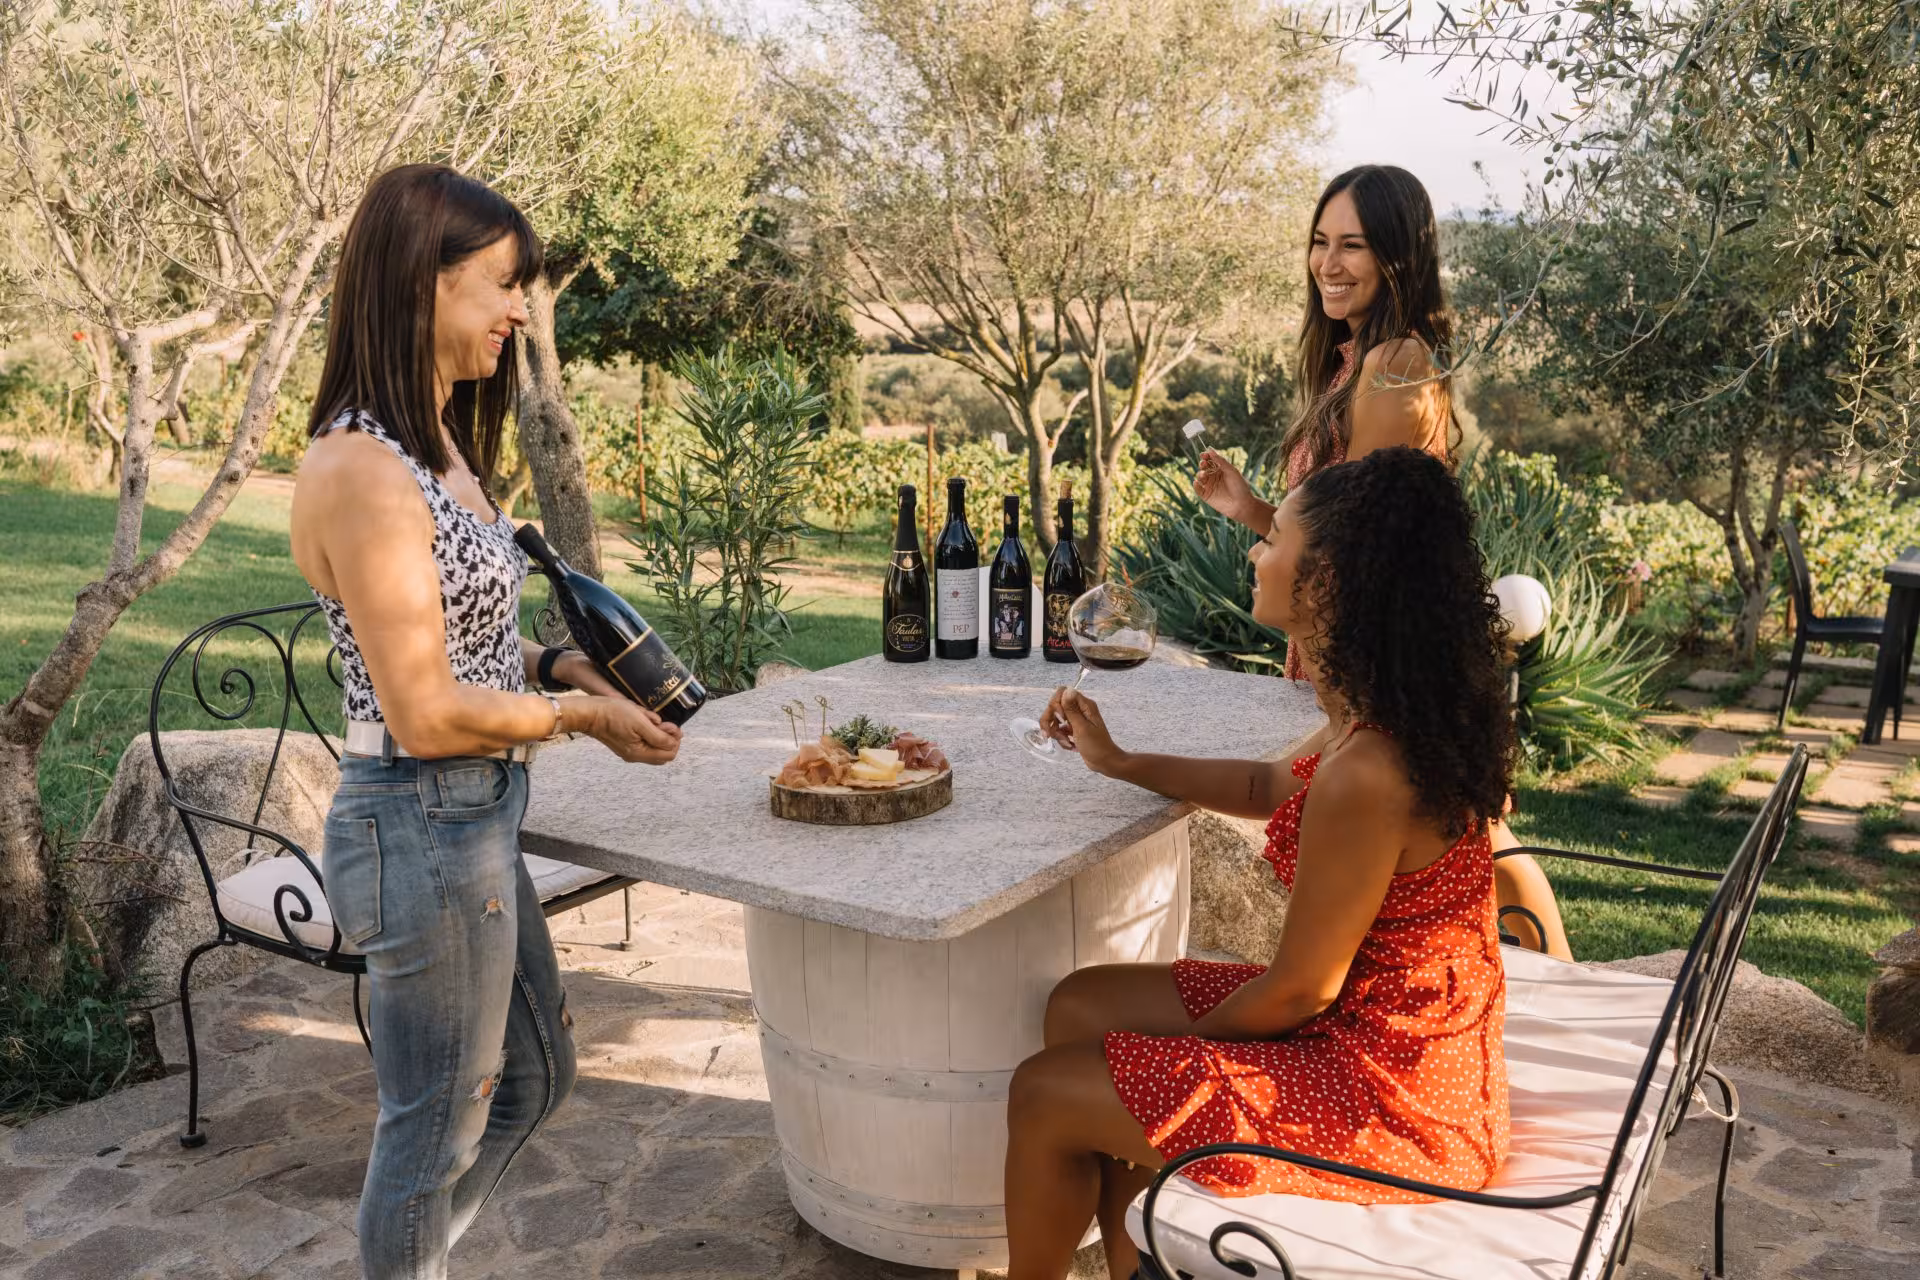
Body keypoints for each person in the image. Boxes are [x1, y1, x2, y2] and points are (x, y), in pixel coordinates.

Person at [290, 164, 682, 1279]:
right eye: (503, 283)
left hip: (470, 814)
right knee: (430, 1133)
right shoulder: (364, 468)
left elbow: (453, 639)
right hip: (418, 820)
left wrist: (562, 662)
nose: (521, 309)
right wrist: (576, 716)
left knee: (538, 1074)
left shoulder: (438, 446)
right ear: (422, 282)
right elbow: (421, 706)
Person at [1006, 448, 1513, 1280]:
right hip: (1382, 1032)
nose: (1254, 549)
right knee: (1080, 1003)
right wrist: (1121, 761)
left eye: (1272, 536)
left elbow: (1298, 991)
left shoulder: (1370, 770)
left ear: (1326, 586)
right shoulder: (1379, 713)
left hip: (1395, 1100)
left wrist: (1173, 1062)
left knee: (1042, 1091)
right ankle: (1140, 1261)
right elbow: (1266, 783)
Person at [1196, 162, 1571, 960]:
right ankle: (1478, 997)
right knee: (1453, 827)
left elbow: (1364, 542)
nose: (1328, 263)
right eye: (1319, 242)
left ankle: (1547, 988)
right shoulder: (1359, 360)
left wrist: (1351, 679)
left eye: (1353, 245)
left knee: (1469, 832)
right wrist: (1255, 512)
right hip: (1364, 635)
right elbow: (1339, 529)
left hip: (1382, 646)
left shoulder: (1390, 365)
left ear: (1398, 256)